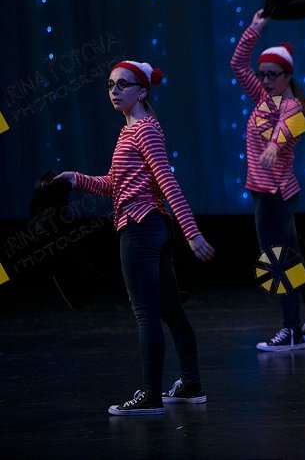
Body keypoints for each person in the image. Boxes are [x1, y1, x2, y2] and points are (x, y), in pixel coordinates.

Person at [56, 60, 215, 416]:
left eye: (122, 84)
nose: (114, 91)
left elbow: (167, 181)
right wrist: (74, 179)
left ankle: (150, 394)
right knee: (170, 310)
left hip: (140, 228)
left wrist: (191, 231)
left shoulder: (144, 130)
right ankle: (191, 384)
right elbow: (114, 184)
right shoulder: (130, 131)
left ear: (142, 91)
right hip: (148, 227)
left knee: (146, 314)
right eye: (110, 85)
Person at [230, 9, 305, 352]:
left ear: (288, 75)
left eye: (273, 75)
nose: (266, 80)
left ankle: (291, 330)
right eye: (263, 74)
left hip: (274, 195)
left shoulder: (294, 108)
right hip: (272, 193)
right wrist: (254, 29)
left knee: (276, 261)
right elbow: (237, 65)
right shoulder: (263, 97)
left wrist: (274, 145)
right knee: (293, 259)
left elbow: (285, 132)